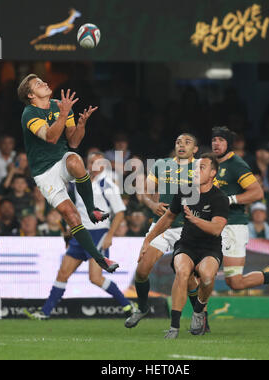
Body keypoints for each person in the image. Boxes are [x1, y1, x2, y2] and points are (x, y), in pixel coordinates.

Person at [17, 73, 118, 273]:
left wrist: (81, 126)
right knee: (71, 217)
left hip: (61, 161)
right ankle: (100, 259)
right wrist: (63, 114)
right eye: (38, 84)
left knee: (75, 159)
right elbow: (51, 138)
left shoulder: (60, 105)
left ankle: (91, 210)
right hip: (44, 173)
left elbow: (73, 142)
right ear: (30, 95)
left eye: (42, 81)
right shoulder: (29, 113)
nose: (44, 83)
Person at [25, 152, 134, 320]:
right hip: (80, 233)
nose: (93, 165)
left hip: (98, 234)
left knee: (95, 278)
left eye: (97, 162)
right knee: (63, 273)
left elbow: (119, 212)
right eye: (91, 162)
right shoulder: (78, 182)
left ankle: (127, 304)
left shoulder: (107, 185)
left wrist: (110, 235)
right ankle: (45, 312)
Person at [139, 153, 229, 338]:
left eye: (201, 167)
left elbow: (216, 229)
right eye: (195, 167)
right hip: (186, 244)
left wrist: (194, 219)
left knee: (206, 277)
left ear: (213, 173)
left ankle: (198, 311)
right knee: (182, 273)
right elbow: (168, 217)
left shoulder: (220, 198)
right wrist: (149, 239)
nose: (196, 171)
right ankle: (174, 327)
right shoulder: (184, 189)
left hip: (209, 247)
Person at [125, 133, 201, 329]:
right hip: (162, 226)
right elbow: (144, 193)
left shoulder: (202, 167)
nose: (181, 145)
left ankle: (200, 316)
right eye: (178, 142)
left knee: (189, 277)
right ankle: (142, 308)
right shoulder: (161, 165)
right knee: (141, 271)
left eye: (187, 142)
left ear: (196, 149)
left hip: (188, 230)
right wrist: (152, 205)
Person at [212, 126, 269, 293]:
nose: (216, 143)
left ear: (229, 144)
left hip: (232, 226)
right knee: (201, 271)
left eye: (221, 140)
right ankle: (200, 316)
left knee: (235, 283)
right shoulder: (212, 164)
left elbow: (257, 192)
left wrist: (230, 199)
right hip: (214, 225)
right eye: (214, 139)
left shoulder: (236, 164)